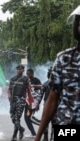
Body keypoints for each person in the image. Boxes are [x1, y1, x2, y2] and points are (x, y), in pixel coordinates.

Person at [35, 6, 80, 141]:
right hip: (68, 128)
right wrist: (38, 137)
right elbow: (53, 98)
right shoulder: (64, 59)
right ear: (77, 27)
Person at [8, 64, 33, 141]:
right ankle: (21, 129)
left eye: (21, 69)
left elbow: (29, 91)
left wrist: (30, 104)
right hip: (13, 100)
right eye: (18, 69)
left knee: (17, 117)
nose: (19, 70)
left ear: (23, 70)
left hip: (21, 100)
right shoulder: (12, 79)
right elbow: (9, 89)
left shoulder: (26, 79)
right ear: (16, 70)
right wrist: (9, 95)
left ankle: (14, 135)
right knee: (12, 118)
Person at [24, 68, 42, 138]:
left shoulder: (36, 80)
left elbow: (41, 87)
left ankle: (40, 124)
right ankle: (33, 133)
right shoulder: (26, 80)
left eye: (29, 74)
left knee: (29, 117)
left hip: (33, 102)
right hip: (27, 101)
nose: (27, 75)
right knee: (26, 118)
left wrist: (34, 86)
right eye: (27, 74)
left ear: (32, 73)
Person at [36, 67, 53, 141]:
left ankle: (50, 137)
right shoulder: (46, 83)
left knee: (51, 122)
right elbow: (40, 95)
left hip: (55, 106)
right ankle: (46, 136)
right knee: (46, 121)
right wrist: (37, 104)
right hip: (47, 105)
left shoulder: (59, 84)